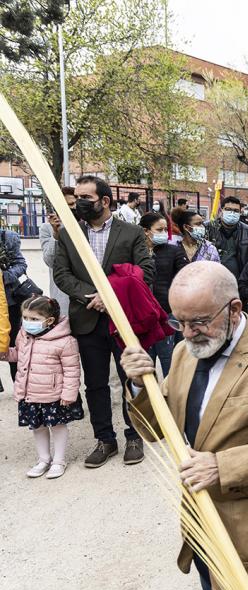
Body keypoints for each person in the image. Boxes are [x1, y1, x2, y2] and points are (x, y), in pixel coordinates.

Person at [120, 262, 248, 590]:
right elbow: (156, 429)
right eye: (180, 321)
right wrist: (142, 386)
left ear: (234, 309)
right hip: (200, 522)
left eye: (199, 321)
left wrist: (222, 466)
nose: (186, 333)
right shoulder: (187, 352)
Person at [53, 175, 155, 468]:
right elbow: (62, 275)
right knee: (95, 383)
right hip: (87, 320)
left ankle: (134, 435)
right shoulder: (70, 234)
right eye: (78, 197)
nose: (80, 202)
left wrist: (110, 296)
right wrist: (91, 296)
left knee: (130, 379)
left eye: (86, 197)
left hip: (123, 318)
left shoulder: (131, 232)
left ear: (105, 201)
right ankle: (105, 439)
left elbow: (144, 271)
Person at [2, 296, 81, 479]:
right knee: (37, 427)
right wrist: (5, 354)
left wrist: (69, 393)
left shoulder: (64, 341)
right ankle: (43, 459)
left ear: (50, 320)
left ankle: (59, 460)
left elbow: (72, 370)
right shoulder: (24, 335)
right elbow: (18, 356)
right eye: (26, 318)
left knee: (58, 426)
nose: (28, 323)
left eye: (34, 319)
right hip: (31, 393)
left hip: (53, 394)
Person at [141, 212, 189, 377]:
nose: (164, 233)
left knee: (171, 362)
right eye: (159, 229)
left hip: (167, 313)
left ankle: (173, 398)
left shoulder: (173, 251)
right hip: (143, 315)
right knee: (147, 364)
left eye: (165, 229)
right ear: (146, 231)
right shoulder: (137, 251)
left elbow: (185, 277)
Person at [40, 186, 77, 317]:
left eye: (74, 204)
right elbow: (50, 260)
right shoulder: (47, 228)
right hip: (63, 296)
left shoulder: (89, 226)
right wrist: (56, 233)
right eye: (69, 205)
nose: (73, 208)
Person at [205, 196, 248, 279]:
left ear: (240, 212)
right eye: (228, 209)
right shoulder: (208, 228)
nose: (232, 213)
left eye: (236, 211)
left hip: (239, 280)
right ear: (221, 210)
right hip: (212, 278)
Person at [0, 222, 30, 380]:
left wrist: (3, 276)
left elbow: (21, 264)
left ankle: (19, 383)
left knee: (12, 344)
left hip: (9, 301)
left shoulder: (7, 237)